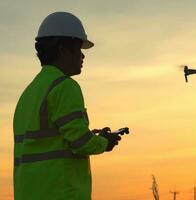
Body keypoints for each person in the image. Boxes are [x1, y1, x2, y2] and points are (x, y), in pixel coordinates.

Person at [13, 12, 121, 200]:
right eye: (78, 49)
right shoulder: (64, 87)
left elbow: (49, 141)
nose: (82, 56)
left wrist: (89, 135)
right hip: (60, 193)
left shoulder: (29, 93)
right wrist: (105, 142)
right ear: (63, 49)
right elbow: (81, 143)